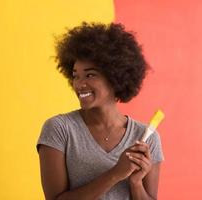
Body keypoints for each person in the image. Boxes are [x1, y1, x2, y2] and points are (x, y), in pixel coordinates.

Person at [36, 22, 164, 200]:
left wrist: (136, 183)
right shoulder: (59, 129)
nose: (79, 84)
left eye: (90, 75)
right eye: (75, 75)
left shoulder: (147, 138)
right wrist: (116, 174)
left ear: (115, 77)